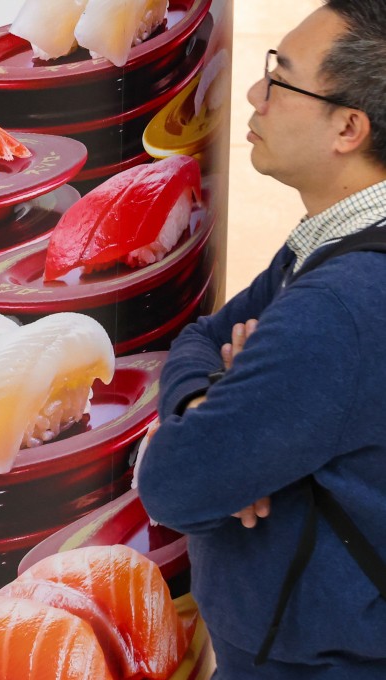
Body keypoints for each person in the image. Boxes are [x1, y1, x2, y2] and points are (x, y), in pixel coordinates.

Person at [136, 1, 386, 677]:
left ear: (349, 128)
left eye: (281, 77)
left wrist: (217, 437)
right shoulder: (326, 250)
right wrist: (211, 408)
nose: (253, 93)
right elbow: (202, 335)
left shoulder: (342, 303)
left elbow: (177, 485)